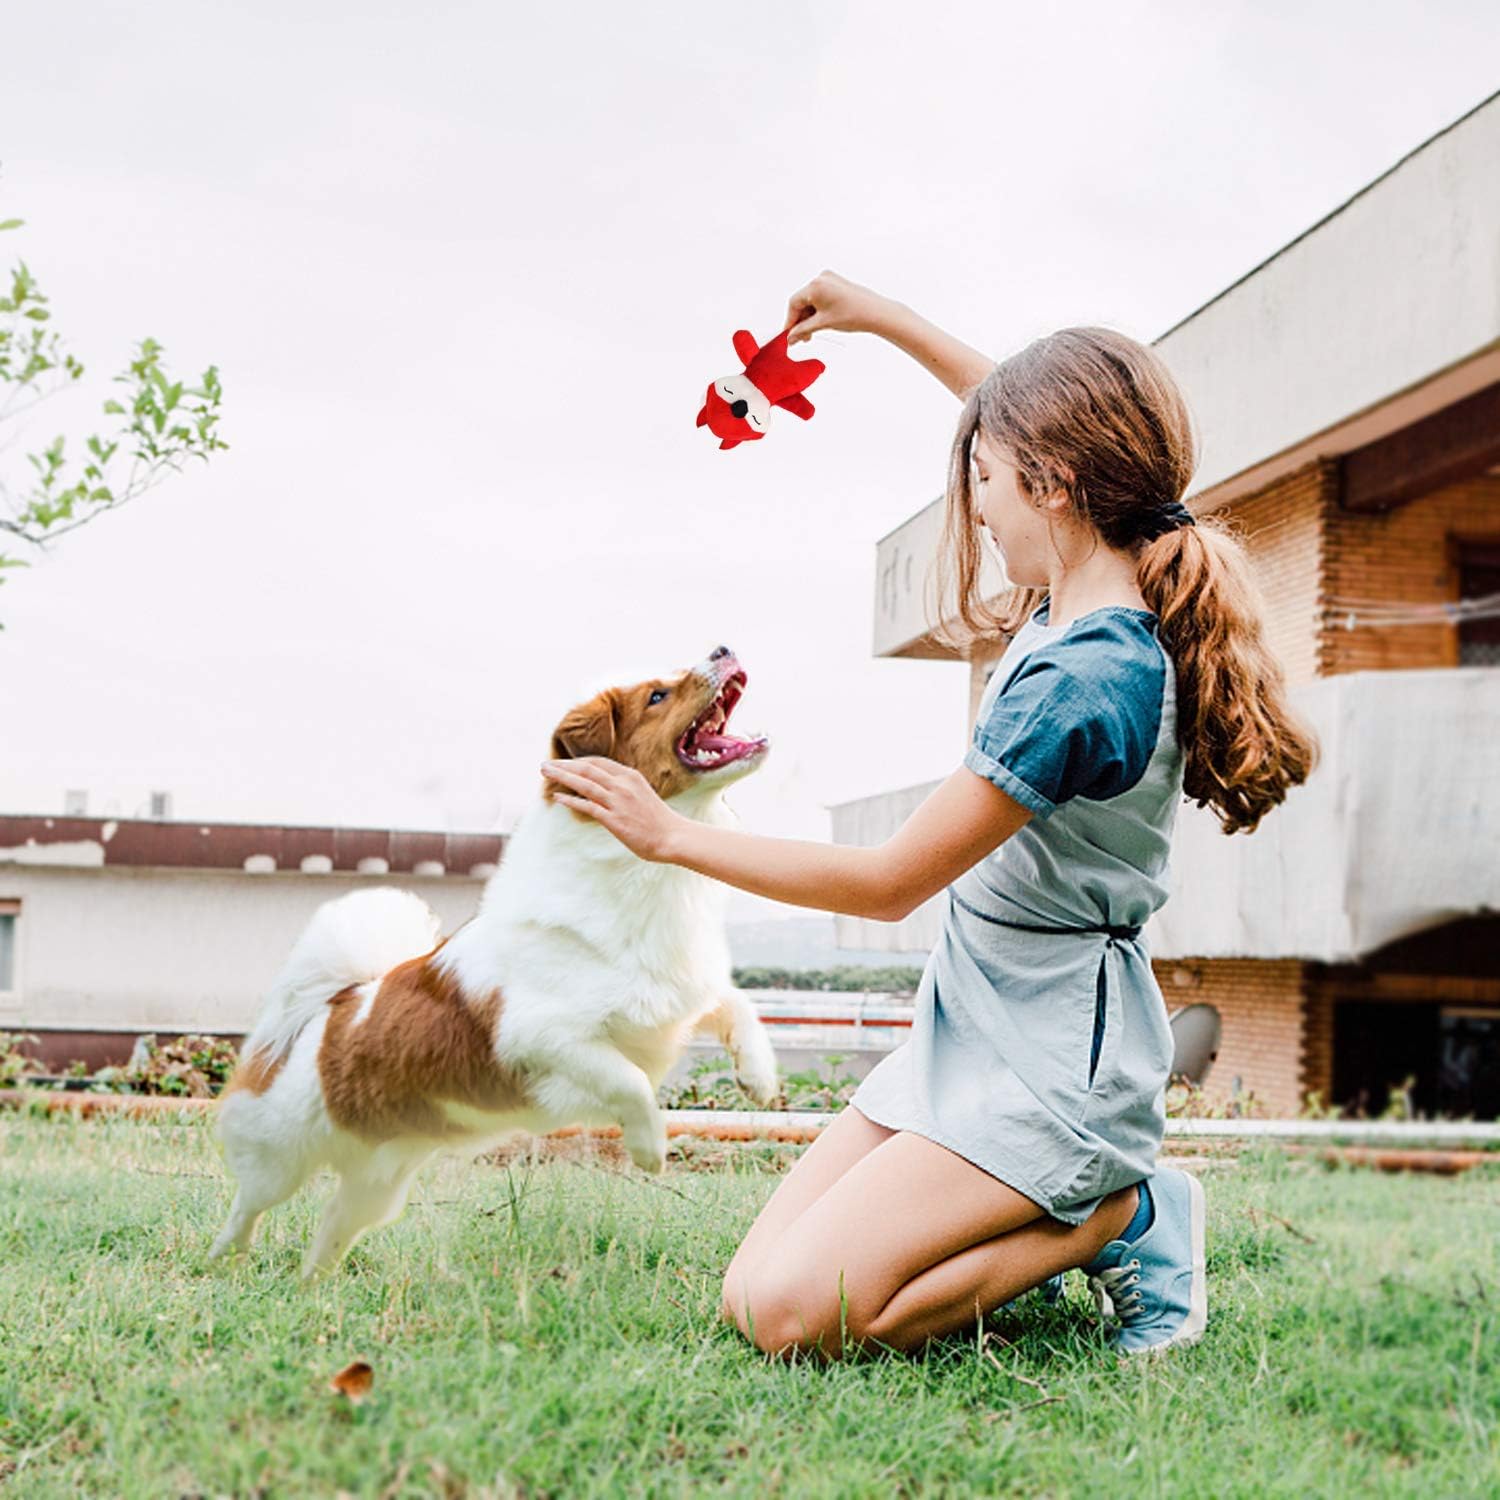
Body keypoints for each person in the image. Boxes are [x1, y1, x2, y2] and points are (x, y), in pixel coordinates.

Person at [540, 270, 1317, 1359]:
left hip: (1056, 1060)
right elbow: (1007, 405)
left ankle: (1120, 1213)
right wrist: (878, 317)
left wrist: (670, 834)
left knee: (790, 1317)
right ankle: (1058, 1213)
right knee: (751, 1288)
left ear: (1051, 484)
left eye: (988, 478)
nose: (981, 504)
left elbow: (892, 881)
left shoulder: (1088, 680)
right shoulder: (1093, 572)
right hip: (969, 1026)